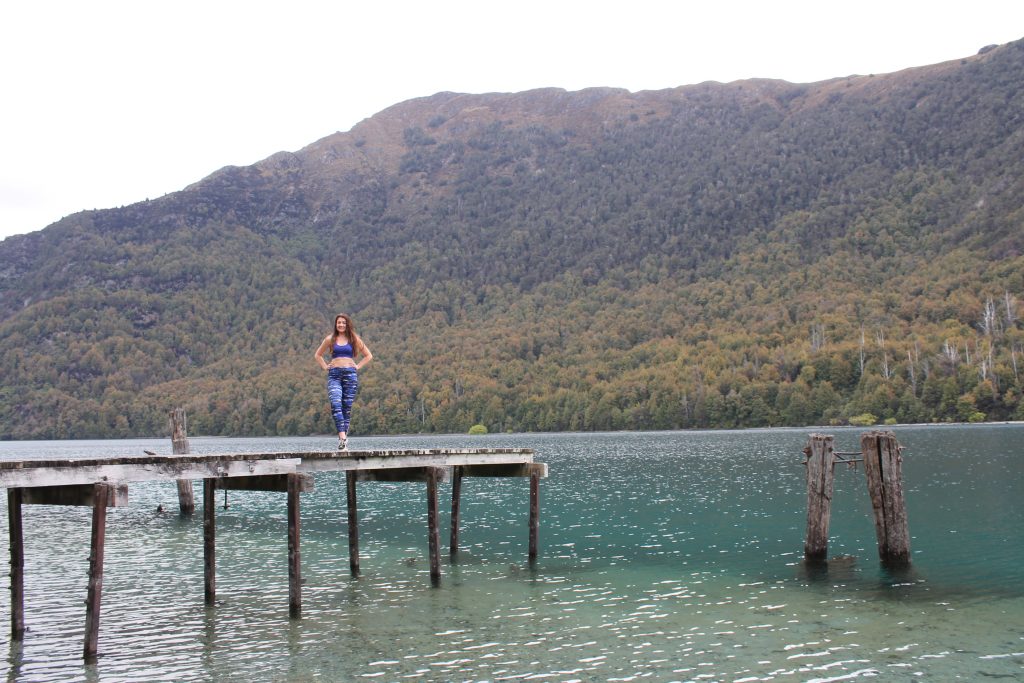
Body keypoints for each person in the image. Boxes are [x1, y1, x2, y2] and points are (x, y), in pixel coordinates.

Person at [314, 314, 373, 450]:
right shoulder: (330, 339)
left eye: (343, 323)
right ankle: (342, 437)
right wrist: (324, 366)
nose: (341, 325)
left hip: (350, 375)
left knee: (347, 408)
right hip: (334, 375)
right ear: (336, 324)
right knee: (335, 404)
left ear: (347, 324)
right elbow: (317, 355)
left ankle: (343, 442)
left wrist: (358, 366)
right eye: (339, 323)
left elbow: (369, 355)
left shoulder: (354, 339)